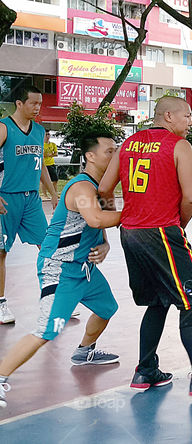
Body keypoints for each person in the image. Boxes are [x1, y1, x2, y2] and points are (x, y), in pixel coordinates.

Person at [98, 96, 192, 397]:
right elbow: (190, 197)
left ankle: (145, 369)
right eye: (187, 116)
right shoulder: (178, 146)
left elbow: (103, 188)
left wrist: (129, 216)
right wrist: (177, 227)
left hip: (131, 233)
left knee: (158, 301)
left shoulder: (127, 144)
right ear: (168, 116)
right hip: (162, 232)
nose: (190, 121)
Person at [0, 132, 124, 409]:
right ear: (90, 156)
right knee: (48, 330)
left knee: (106, 308)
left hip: (85, 268)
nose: (115, 155)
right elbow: (95, 217)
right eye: (109, 151)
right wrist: (138, 214)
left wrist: (105, 247)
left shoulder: (102, 189)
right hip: (60, 268)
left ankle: (84, 352)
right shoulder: (81, 187)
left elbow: (99, 226)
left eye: (116, 150)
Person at [0, 85, 59, 324]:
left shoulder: (39, 130)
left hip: (31, 199)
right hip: (6, 197)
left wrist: (53, 193)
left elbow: (42, 164)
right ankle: (1, 303)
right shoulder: (4, 127)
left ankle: (54, 298)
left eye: (40, 104)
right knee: (2, 252)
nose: (37, 108)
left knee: (47, 248)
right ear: (19, 103)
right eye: (33, 103)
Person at [43, 132, 58, 200]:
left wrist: (50, 155)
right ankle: (45, 194)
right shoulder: (41, 144)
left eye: (48, 134)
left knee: (55, 180)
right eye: (46, 134)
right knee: (44, 180)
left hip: (51, 163)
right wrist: (45, 155)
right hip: (44, 164)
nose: (47, 136)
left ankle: (55, 193)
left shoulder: (52, 144)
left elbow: (56, 153)